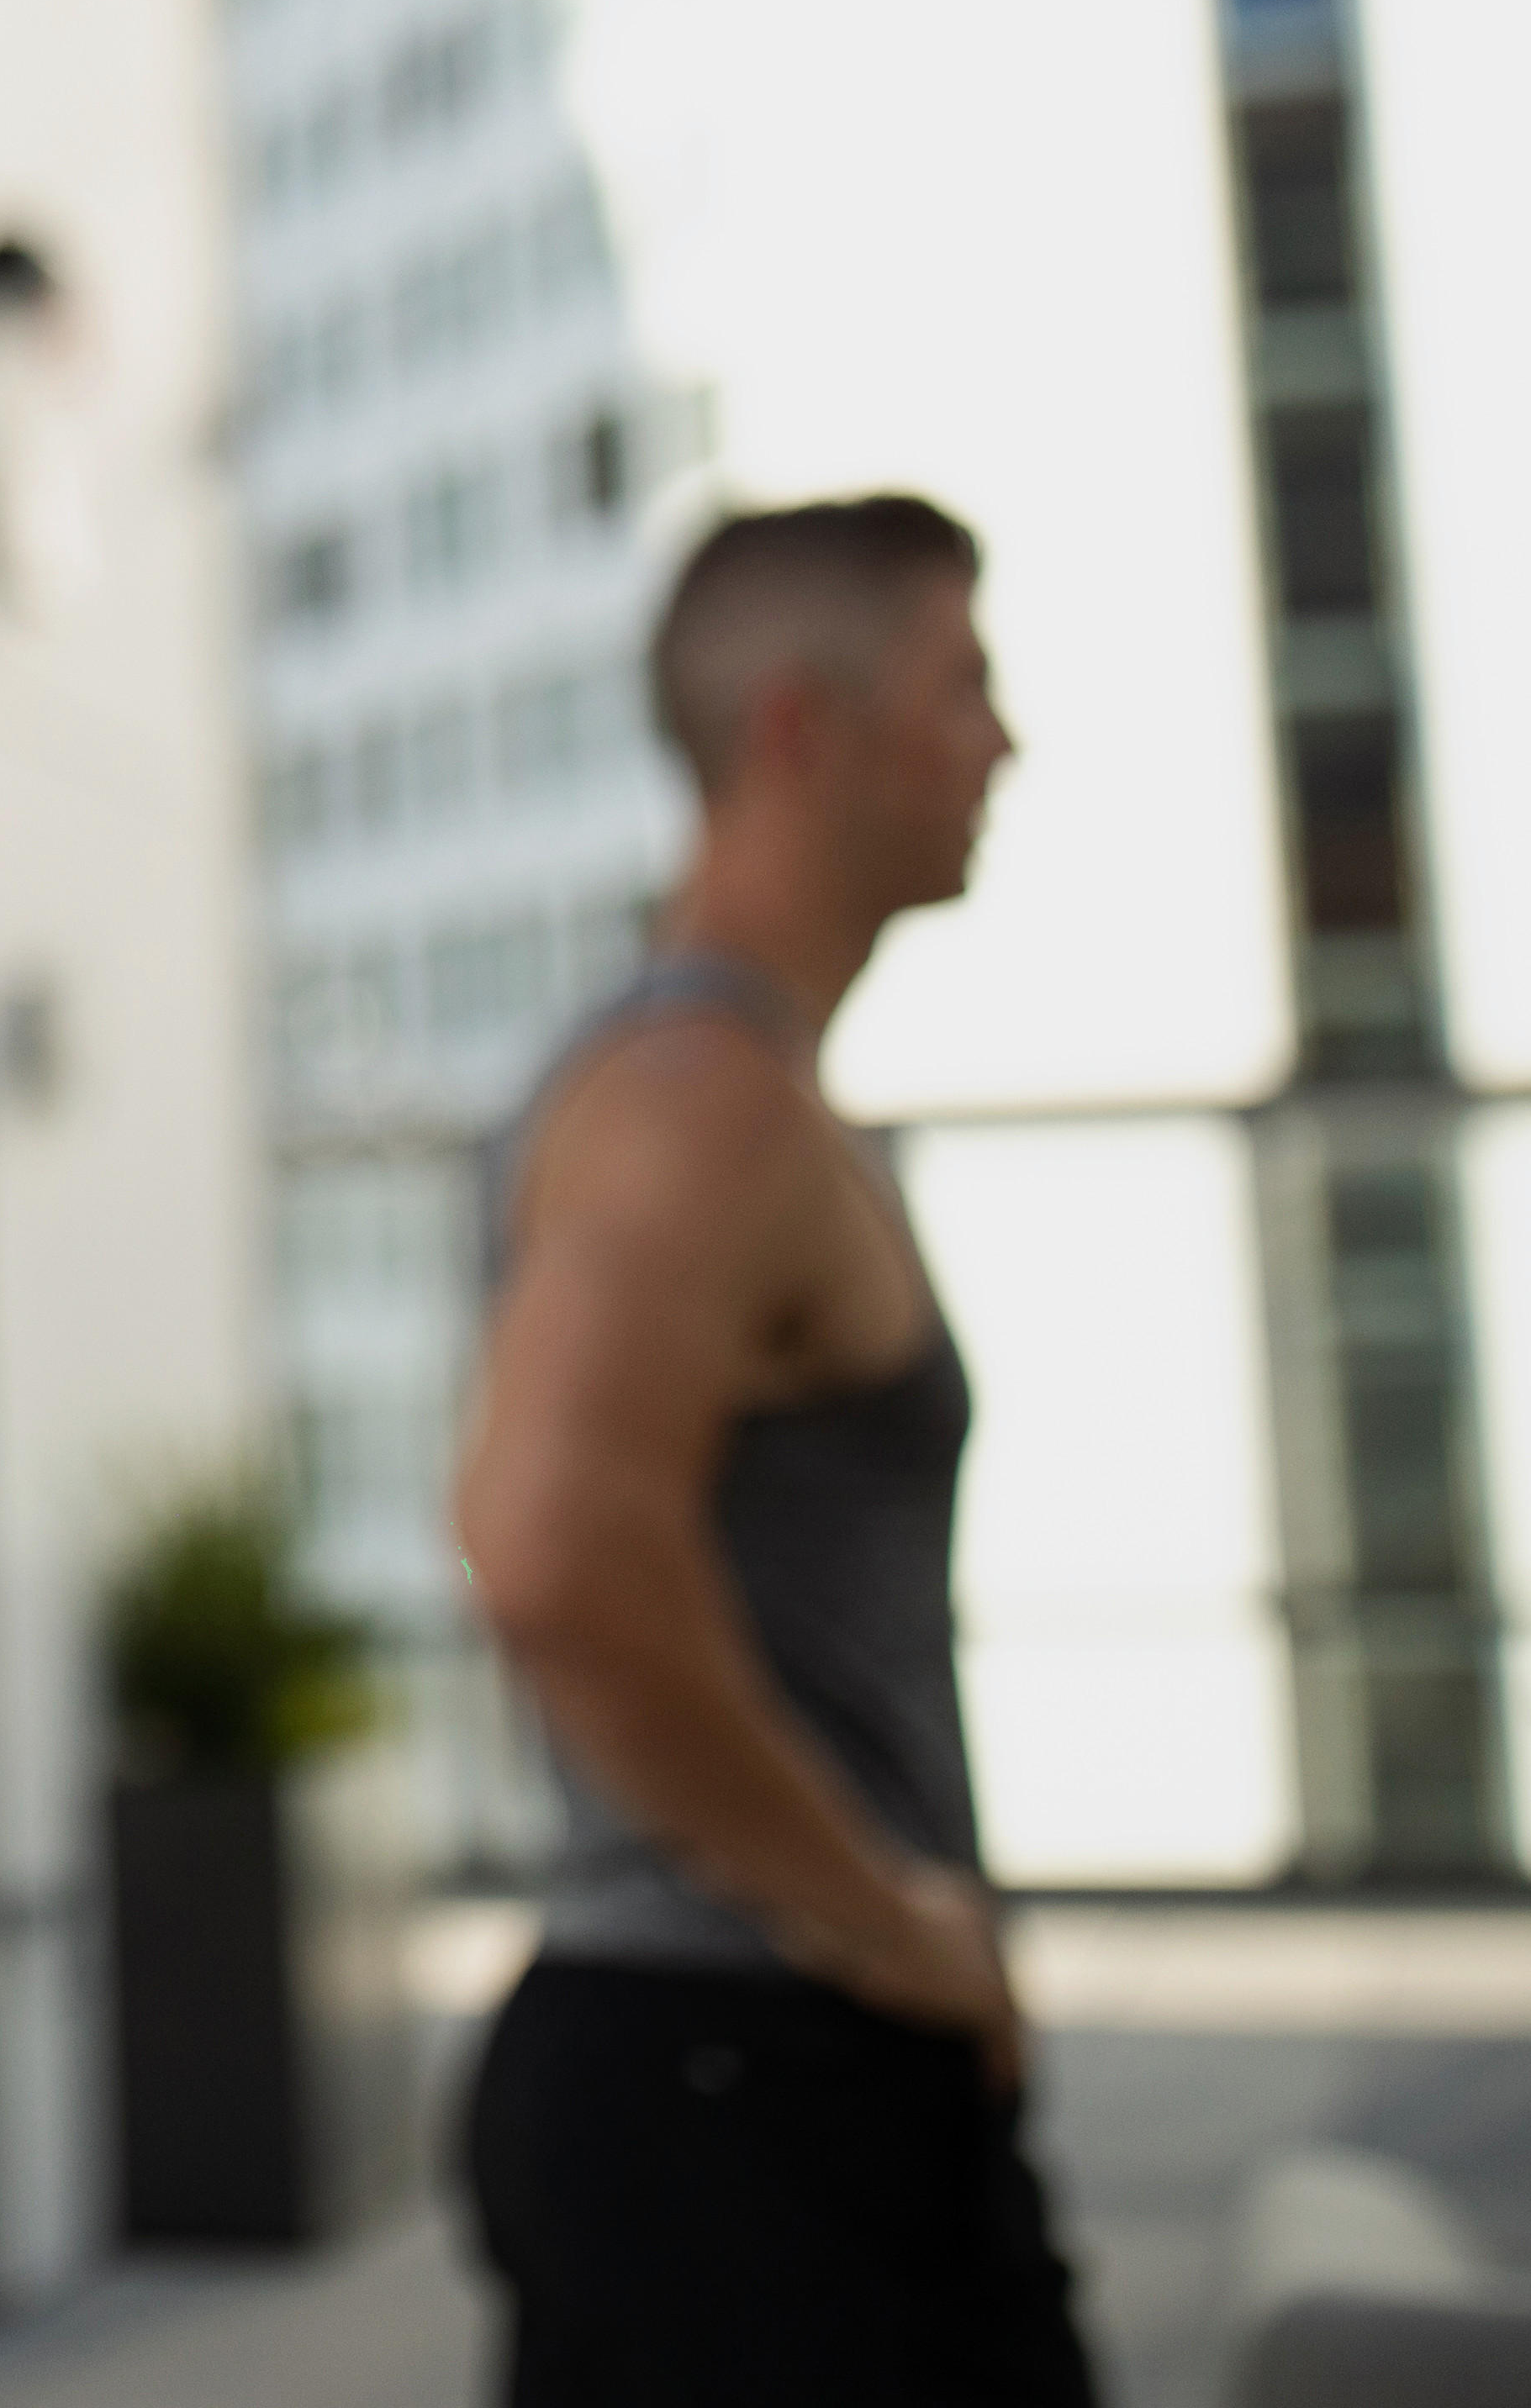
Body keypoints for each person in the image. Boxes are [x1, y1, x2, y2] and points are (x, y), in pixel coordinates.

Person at [449, 493, 1091, 2406]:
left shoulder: (742, 1084)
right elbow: (549, 1548)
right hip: (738, 2085)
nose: (1004, 738)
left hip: (763, 2076)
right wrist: (884, 1917)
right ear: (803, 728)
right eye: (960, 681)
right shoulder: (694, 1095)